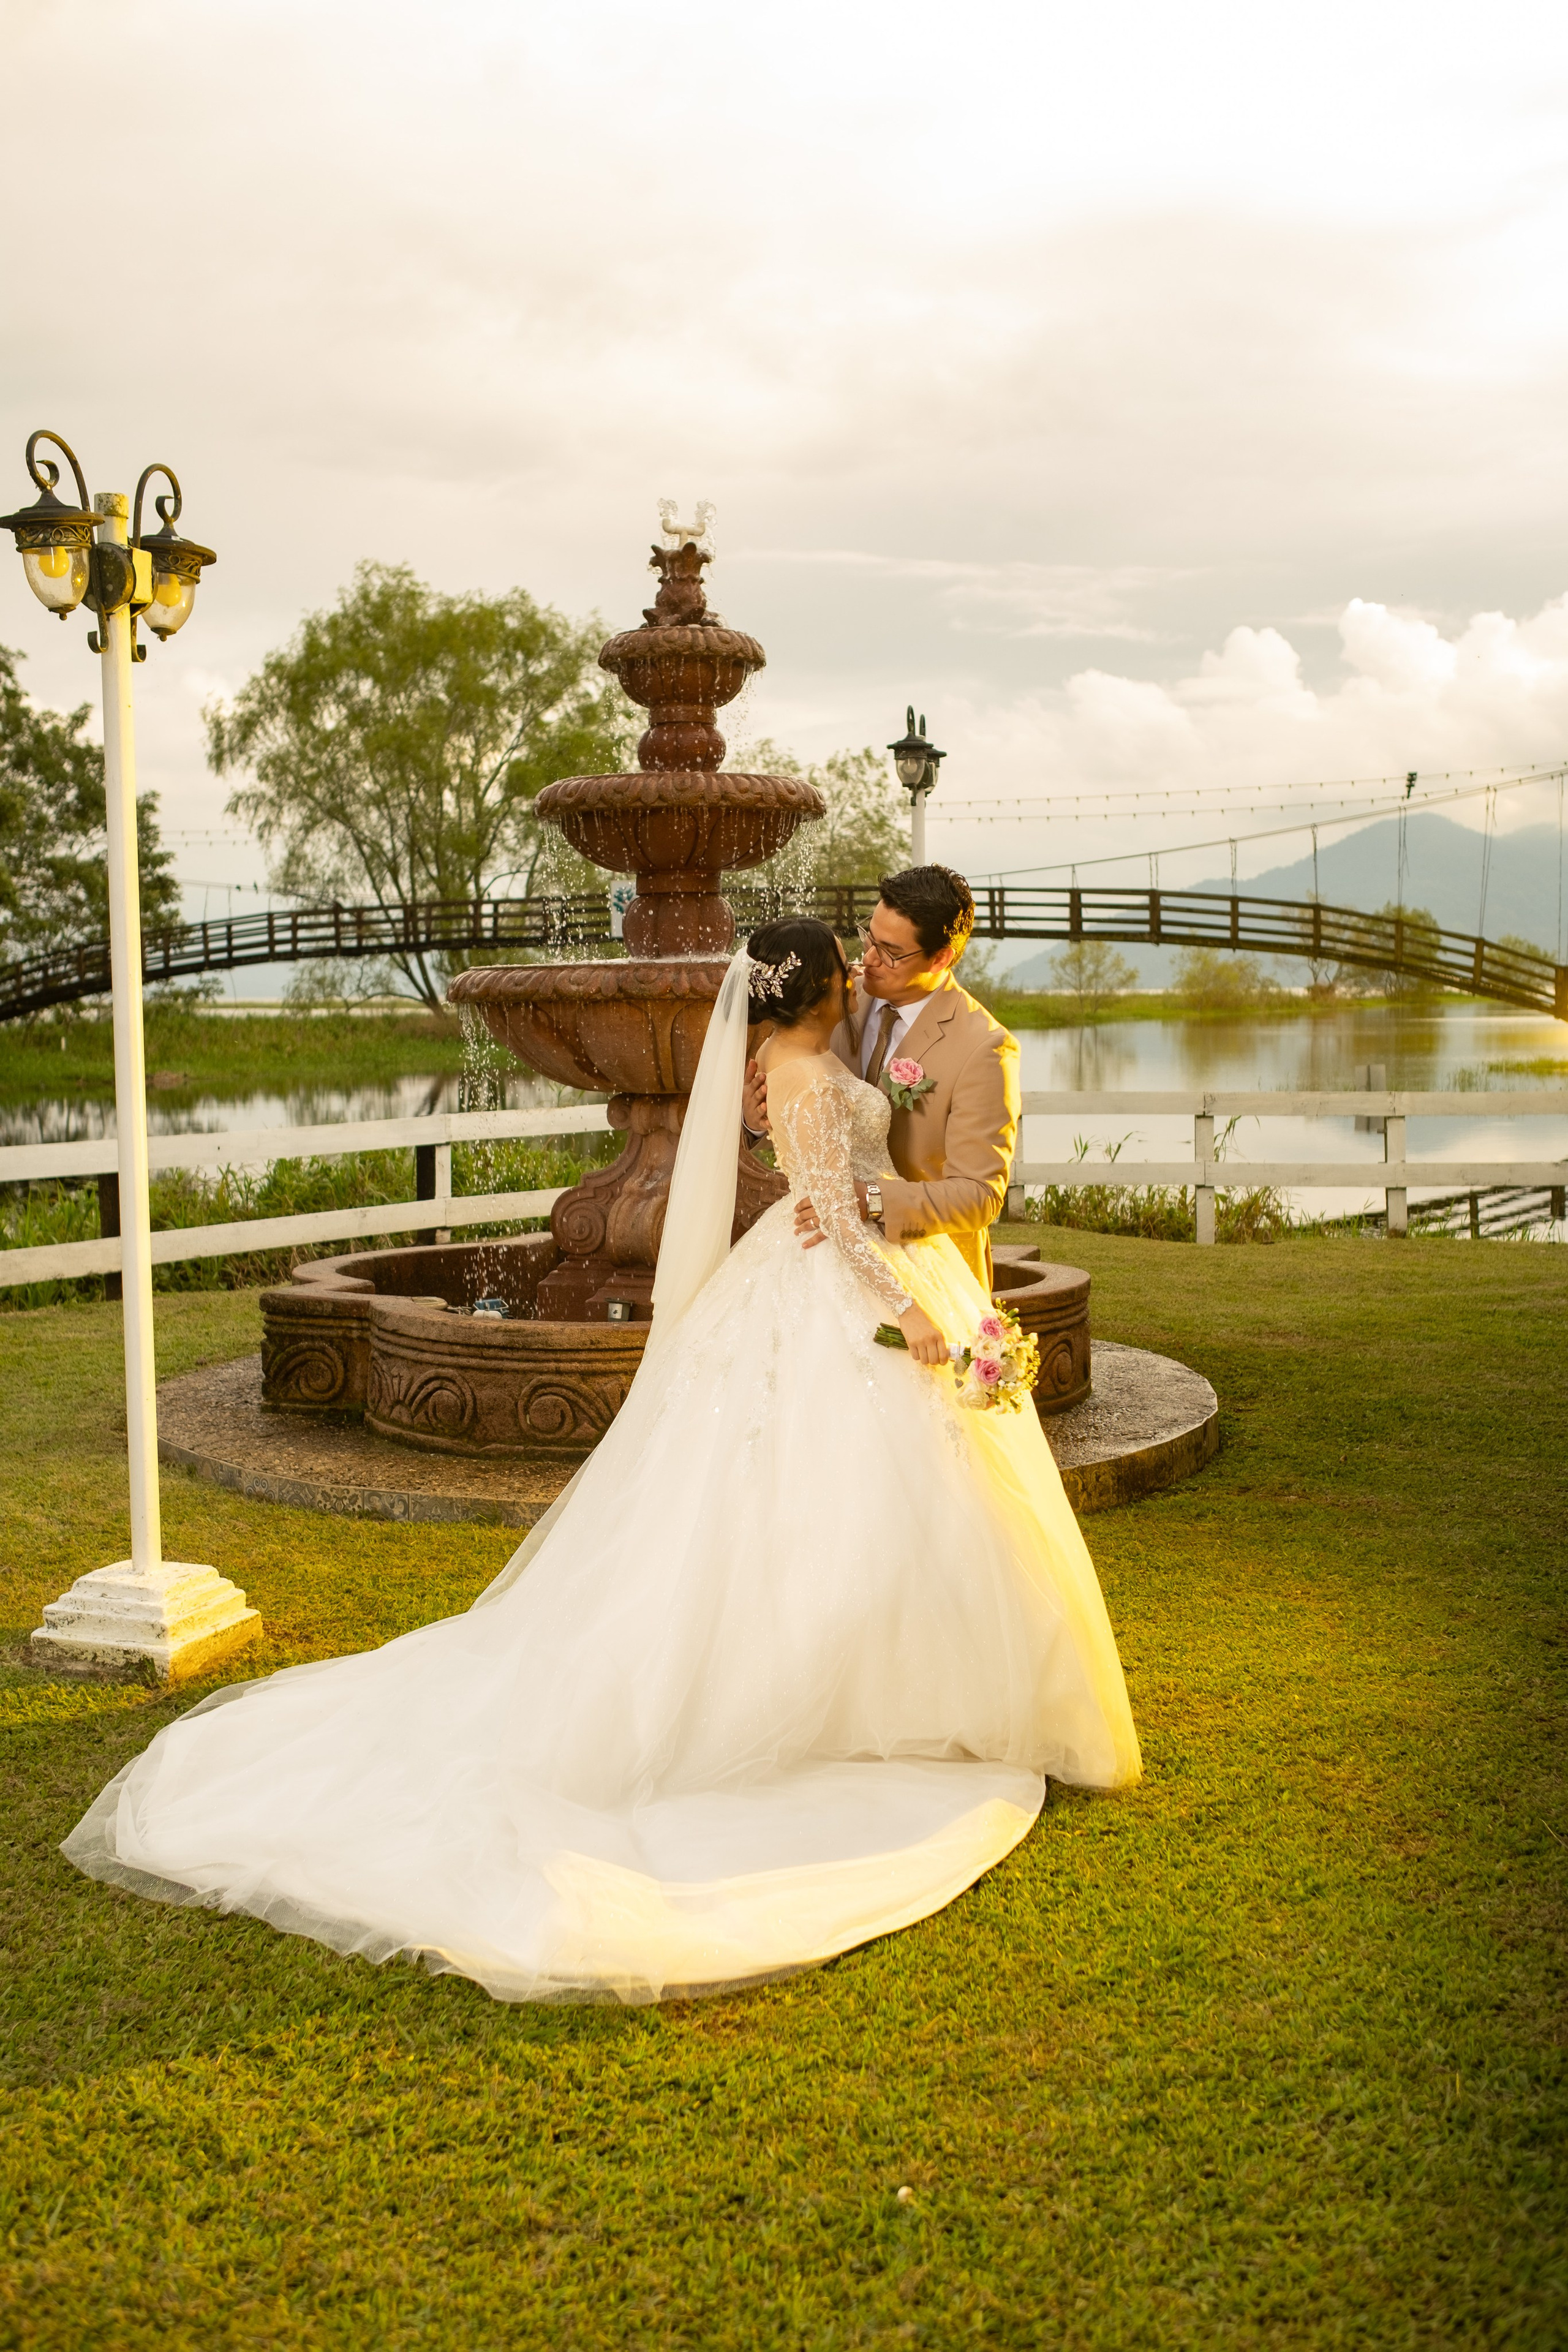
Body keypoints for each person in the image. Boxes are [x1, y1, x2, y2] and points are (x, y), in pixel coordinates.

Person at [62, 920, 1140, 2007]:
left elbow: (839, 1173)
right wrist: (910, 1311)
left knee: (846, 1503)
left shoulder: (802, 1059)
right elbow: (829, 1216)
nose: (865, 970)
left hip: (819, 1279)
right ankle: (845, 1709)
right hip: (837, 1287)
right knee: (820, 1503)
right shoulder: (807, 1072)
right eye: (848, 963)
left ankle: (891, 1692)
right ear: (815, 991)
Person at [742, 864, 1017, 1289]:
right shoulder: (830, 996)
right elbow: (794, 1088)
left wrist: (870, 1200)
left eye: (890, 951)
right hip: (822, 1260)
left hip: (928, 1271)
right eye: (869, 936)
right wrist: (752, 1120)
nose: (868, 958)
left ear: (940, 957)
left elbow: (979, 1196)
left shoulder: (984, 1047)